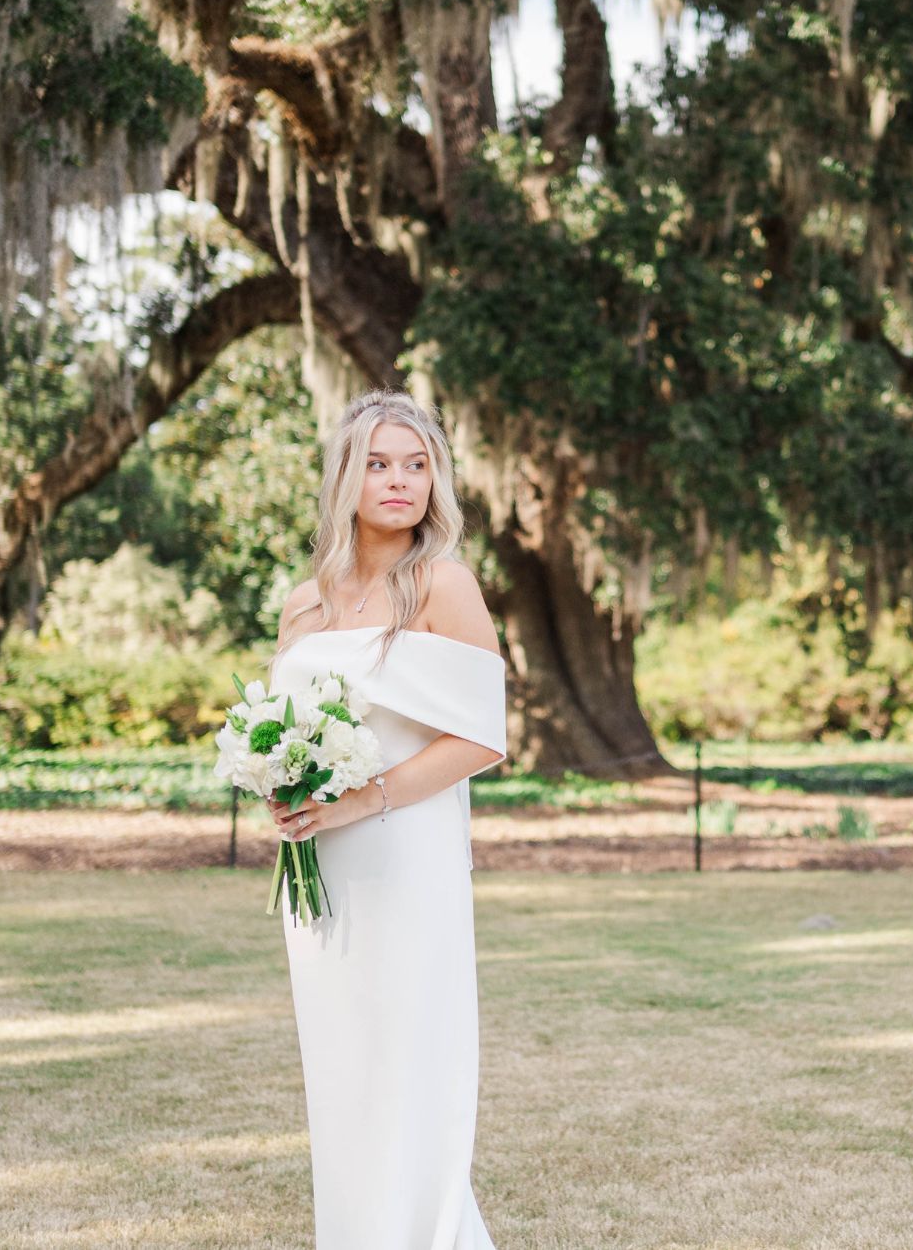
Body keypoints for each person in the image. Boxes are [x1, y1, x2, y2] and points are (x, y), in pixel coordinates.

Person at [263, 389, 509, 1249]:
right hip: (322, 876)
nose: (400, 481)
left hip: (408, 857)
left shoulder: (442, 585)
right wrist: (279, 786)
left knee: (409, 1060)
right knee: (344, 1069)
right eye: (378, 463)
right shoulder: (305, 603)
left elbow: (483, 736)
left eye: (417, 464)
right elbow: (280, 728)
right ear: (345, 476)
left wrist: (367, 799)